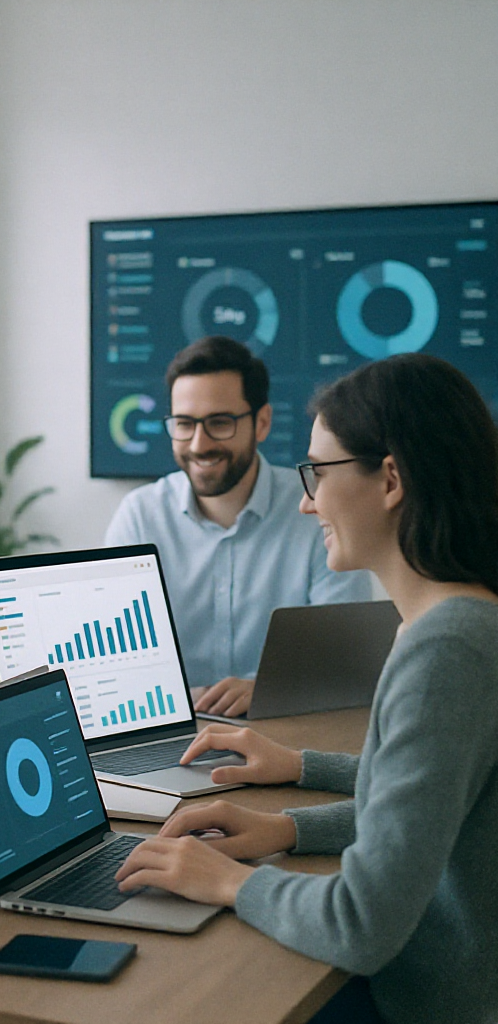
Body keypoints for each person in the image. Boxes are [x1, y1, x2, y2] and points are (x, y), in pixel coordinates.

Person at [114, 354, 498, 1024]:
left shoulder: (449, 647)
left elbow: (360, 924)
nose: (305, 499)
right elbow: (421, 816)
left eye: (318, 472)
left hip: (421, 1002)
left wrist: (230, 880)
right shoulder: (458, 622)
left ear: (390, 478)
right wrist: (284, 825)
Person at [104, 335, 372, 716]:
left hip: (286, 726)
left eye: (218, 423)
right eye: (184, 424)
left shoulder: (317, 511)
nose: (199, 444)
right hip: (170, 728)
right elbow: (113, 664)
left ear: (262, 423)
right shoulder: (139, 516)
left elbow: (348, 659)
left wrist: (268, 689)